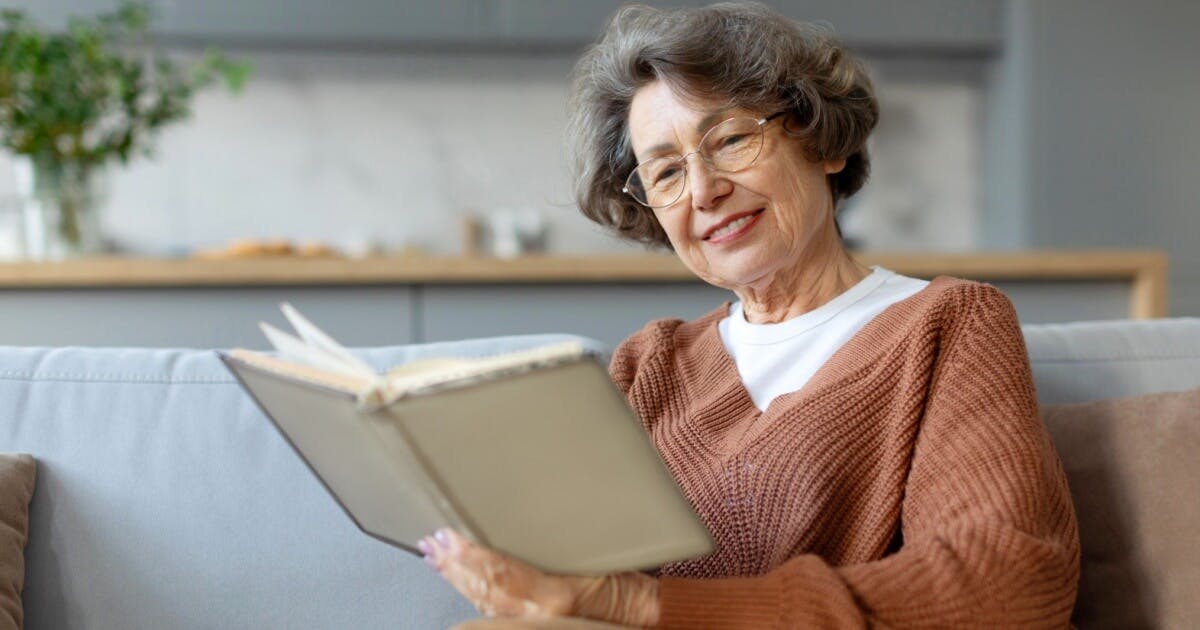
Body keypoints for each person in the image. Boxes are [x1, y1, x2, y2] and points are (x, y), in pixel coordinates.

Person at [418, 3, 1081, 627]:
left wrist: (647, 605)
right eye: (667, 172)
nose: (704, 191)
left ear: (824, 142)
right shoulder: (650, 365)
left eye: (731, 139)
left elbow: (1009, 586)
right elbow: (578, 589)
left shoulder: (946, 324)